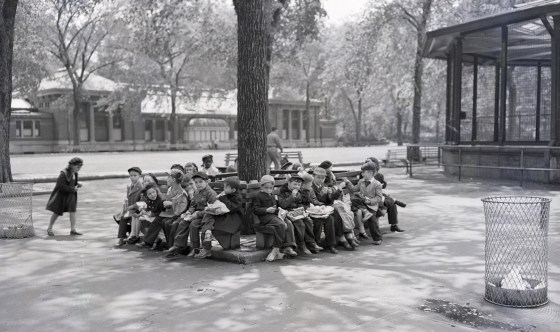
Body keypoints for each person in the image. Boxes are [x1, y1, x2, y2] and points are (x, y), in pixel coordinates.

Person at [164, 171, 217, 259]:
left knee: (194, 224)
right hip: (197, 215)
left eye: (200, 182)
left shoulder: (211, 193)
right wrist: (189, 212)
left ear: (206, 182)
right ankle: (178, 246)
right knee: (183, 222)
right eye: (196, 182)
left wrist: (197, 215)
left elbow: (212, 210)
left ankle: (195, 247)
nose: (198, 184)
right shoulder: (197, 192)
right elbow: (193, 205)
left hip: (207, 216)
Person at [136, 169, 189, 250]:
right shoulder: (170, 189)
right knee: (158, 220)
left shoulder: (182, 192)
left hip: (177, 214)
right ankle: (148, 242)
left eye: (168, 178)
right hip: (168, 212)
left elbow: (182, 208)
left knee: (166, 222)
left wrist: (171, 204)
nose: (167, 179)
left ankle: (170, 246)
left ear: (174, 180)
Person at [194, 177, 243, 259]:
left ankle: (207, 245)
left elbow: (231, 208)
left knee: (207, 224)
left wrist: (223, 198)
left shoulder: (237, 197)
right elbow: (218, 203)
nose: (224, 189)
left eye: (226, 187)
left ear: (233, 190)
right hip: (223, 216)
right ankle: (207, 246)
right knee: (208, 215)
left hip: (232, 219)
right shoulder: (226, 194)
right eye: (224, 187)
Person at [253, 175, 297, 262]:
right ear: (261, 187)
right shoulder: (258, 196)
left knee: (288, 223)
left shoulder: (273, 195)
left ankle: (288, 246)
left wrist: (280, 210)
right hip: (265, 218)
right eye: (266, 188)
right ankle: (276, 249)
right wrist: (266, 210)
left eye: (270, 188)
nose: (268, 190)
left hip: (274, 216)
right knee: (281, 224)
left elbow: (276, 207)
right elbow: (255, 209)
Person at [278, 175, 322, 255]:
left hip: (296, 212)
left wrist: (303, 210)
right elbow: (283, 205)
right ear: (289, 183)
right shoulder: (283, 192)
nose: (297, 186)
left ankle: (311, 243)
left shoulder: (298, 192)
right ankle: (302, 245)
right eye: (295, 184)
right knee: (300, 224)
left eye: (298, 185)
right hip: (287, 212)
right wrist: (292, 196)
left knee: (308, 220)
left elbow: (299, 203)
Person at [344, 162, 384, 245]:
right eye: (362, 172)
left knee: (372, 220)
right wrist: (348, 183)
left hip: (371, 206)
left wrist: (370, 201)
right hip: (361, 203)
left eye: (363, 172)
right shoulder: (361, 181)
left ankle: (377, 238)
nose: (362, 174)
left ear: (370, 173)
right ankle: (365, 212)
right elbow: (354, 189)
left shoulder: (377, 184)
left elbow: (379, 197)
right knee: (353, 199)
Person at [366, 157, 406, 233]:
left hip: (380, 194)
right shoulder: (365, 174)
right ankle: (395, 201)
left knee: (391, 204)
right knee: (391, 202)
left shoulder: (379, 175)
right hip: (371, 196)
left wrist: (383, 185)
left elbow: (383, 185)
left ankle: (394, 225)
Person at [46, 157, 84, 236]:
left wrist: (77, 184)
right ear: (72, 165)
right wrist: (73, 188)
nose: (79, 169)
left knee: (72, 212)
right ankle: (49, 228)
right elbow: (61, 186)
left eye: (80, 167)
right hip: (62, 196)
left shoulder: (75, 173)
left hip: (71, 196)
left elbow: (73, 182)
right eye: (78, 167)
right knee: (56, 212)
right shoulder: (63, 173)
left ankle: (73, 230)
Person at [115, 167, 144, 246]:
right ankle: (128, 232)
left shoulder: (141, 187)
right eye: (131, 175)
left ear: (139, 176)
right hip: (130, 209)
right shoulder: (130, 186)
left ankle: (121, 238)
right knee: (117, 216)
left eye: (135, 175)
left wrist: (130, 208)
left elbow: (141, 202)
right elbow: (127, 199)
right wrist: (124, 209)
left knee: (123, 218)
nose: (132, 177)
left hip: (137, 209)